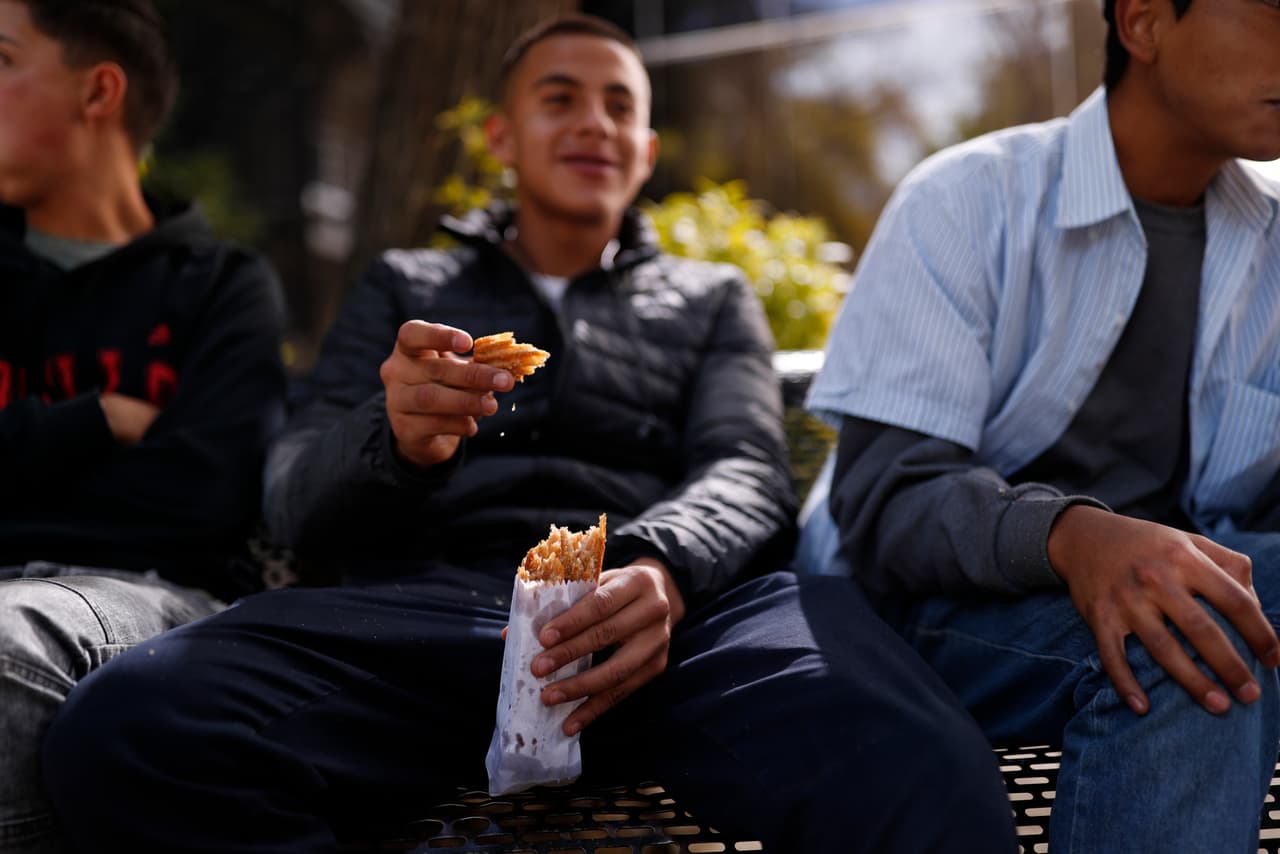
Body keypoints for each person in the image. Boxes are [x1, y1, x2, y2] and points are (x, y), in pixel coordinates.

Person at [39, 13, 1018, 853]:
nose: (594, 120)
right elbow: (294, 490)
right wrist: (395, 439)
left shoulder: (710, 297)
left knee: (913, 752)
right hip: (437, 609)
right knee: (134, 724)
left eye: (620, 107)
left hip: (682, 617)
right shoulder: (404, 287)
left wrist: (656, 562)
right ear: (501, 136)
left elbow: (744, 467)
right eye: (559, 98)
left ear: (643, 153)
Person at [799, 0, 1280, 851]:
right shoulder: (967, 202)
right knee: (1188, 643)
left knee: (1187, 610)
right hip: (931, 611)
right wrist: (1076, 537)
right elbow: (884, 503)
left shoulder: (1272, 236)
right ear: (1143, 25)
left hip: (1179, 563)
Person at [0, 0, 286, 851]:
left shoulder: (222, 288)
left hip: (149, 595)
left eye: (3, 58)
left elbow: (202, 501)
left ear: (99, 91)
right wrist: (97, 422)